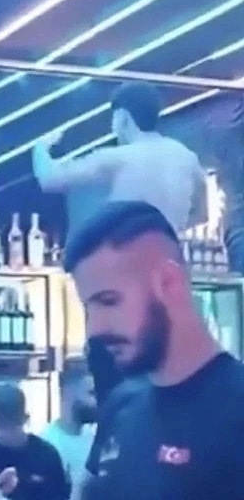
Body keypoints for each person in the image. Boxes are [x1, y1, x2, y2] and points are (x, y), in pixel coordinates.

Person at [64, 200, 244, 500]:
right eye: (88, 308)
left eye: (109, 301)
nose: (95, 328)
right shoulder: (121, 405)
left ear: (169, 283)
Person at [32, 81, 207, 236]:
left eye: (113, 117)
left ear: (123, 117)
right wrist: (166, 232)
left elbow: (49, 179)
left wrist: (40, 147)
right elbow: (202, 215)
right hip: (169, 256)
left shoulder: (116, 158)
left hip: (126, 257)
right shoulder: (186, 157)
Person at [40, 366, 96, 491]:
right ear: (68, 394)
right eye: (91, 393)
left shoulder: (94, 439)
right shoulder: (48, 444)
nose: (96, 401)